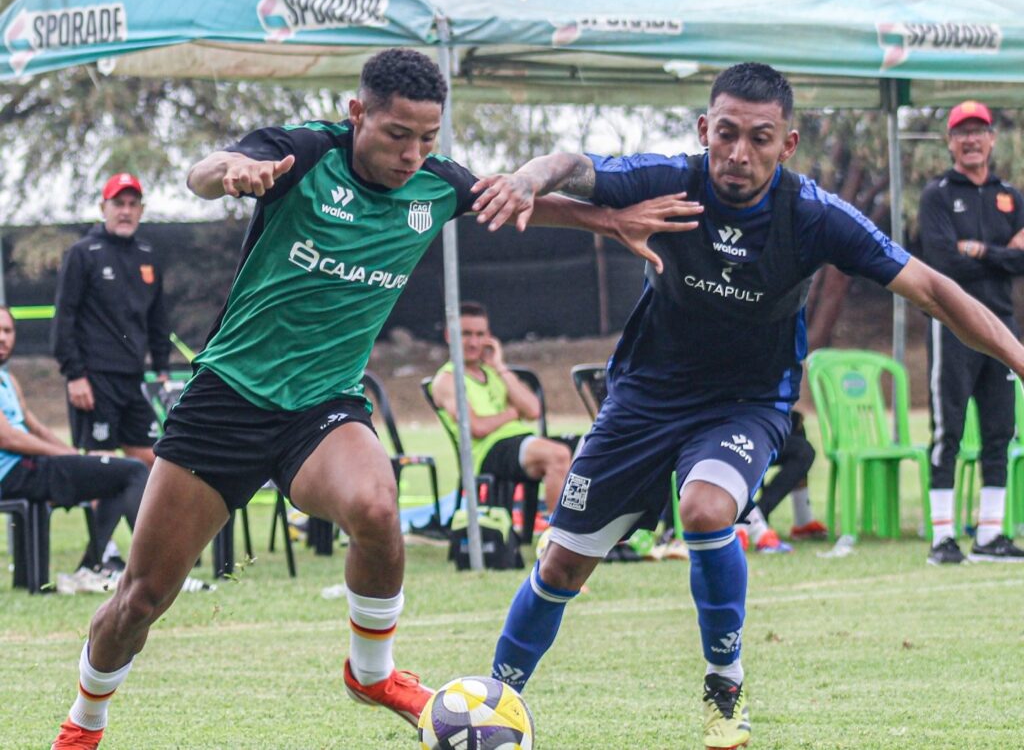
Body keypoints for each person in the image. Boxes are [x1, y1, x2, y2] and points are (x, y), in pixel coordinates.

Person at [50, 48, 699, 749]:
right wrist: (228, 172)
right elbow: (202, 171)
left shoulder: (435, 186)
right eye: (398, 134)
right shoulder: (302, 153)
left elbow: (519, 201)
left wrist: (607, 223)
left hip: (322, 405)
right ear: (357, 113)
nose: (414, 153)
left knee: (377, 506)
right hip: (228, 401)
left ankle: (371, 671)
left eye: (429, 137)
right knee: (142, 598)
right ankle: (85, 720)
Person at [471, 63, 1024, 750]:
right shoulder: (674, 178)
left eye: (759, 138)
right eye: (726, 133)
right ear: (705, 129)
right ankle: (495, 698)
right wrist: (527, 180)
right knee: (562, 563)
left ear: (787, 143)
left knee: (707, 507)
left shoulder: (814, 215)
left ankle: (723, 688)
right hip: (644, 397)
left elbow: (936, 291)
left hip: (747, 403)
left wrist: (1021, 360)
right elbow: (574, 163)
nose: (739, 152)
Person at [918, 100, 1024, 565]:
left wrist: (980, 250)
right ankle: (942, 538)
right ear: (951, 142)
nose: (971, 140)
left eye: (979, 131)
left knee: (1001, 431)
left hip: (1003, 324)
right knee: (949, 430)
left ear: (992, 139)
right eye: (962, 132)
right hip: (952, 325)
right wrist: (1001, 253)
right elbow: (942, 262)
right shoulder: (937, 194)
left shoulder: (1011, 196)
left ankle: (990, 535)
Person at [0, 306, 147, 589]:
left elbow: (36, 428)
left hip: (31, 467)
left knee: (118, 476)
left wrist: (74, 454)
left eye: (8, 331)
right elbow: (8, 439)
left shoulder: (9, 380)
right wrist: (66, 455)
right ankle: (153, 570)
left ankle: (92, 566)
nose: (3, 338)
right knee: (133, 470)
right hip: (15, 473)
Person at [52, 173, 170, 471]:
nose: (126, 211)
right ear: (103, 207)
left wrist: (162, 368)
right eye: (118, 203)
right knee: (99, 464)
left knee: (150, 461)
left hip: (135, 378)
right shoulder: (83, 253)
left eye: (133, 204)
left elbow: (157, 318)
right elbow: (65, 316)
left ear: (141, 210)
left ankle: (145, 521)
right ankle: (100, 520)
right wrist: (74, 374)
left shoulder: (148, 256)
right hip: (94, 378)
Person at [431, 301, 577, 519]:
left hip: (519, 442)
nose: (473, 342)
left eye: (480, 335)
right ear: (449, 336)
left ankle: (597, 533)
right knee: (557, 455)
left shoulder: (492, 373)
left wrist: (499, 366)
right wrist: (512, 413)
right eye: (465, 334)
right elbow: (476, 428)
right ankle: (559, 538)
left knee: (589, 448)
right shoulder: (447, 379)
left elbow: (533, 410)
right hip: (488, 452)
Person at [736, 409, 826, 553]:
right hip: (740, 431)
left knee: (796, 425)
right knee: (803, 451)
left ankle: (800, 520)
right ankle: (753, 518)